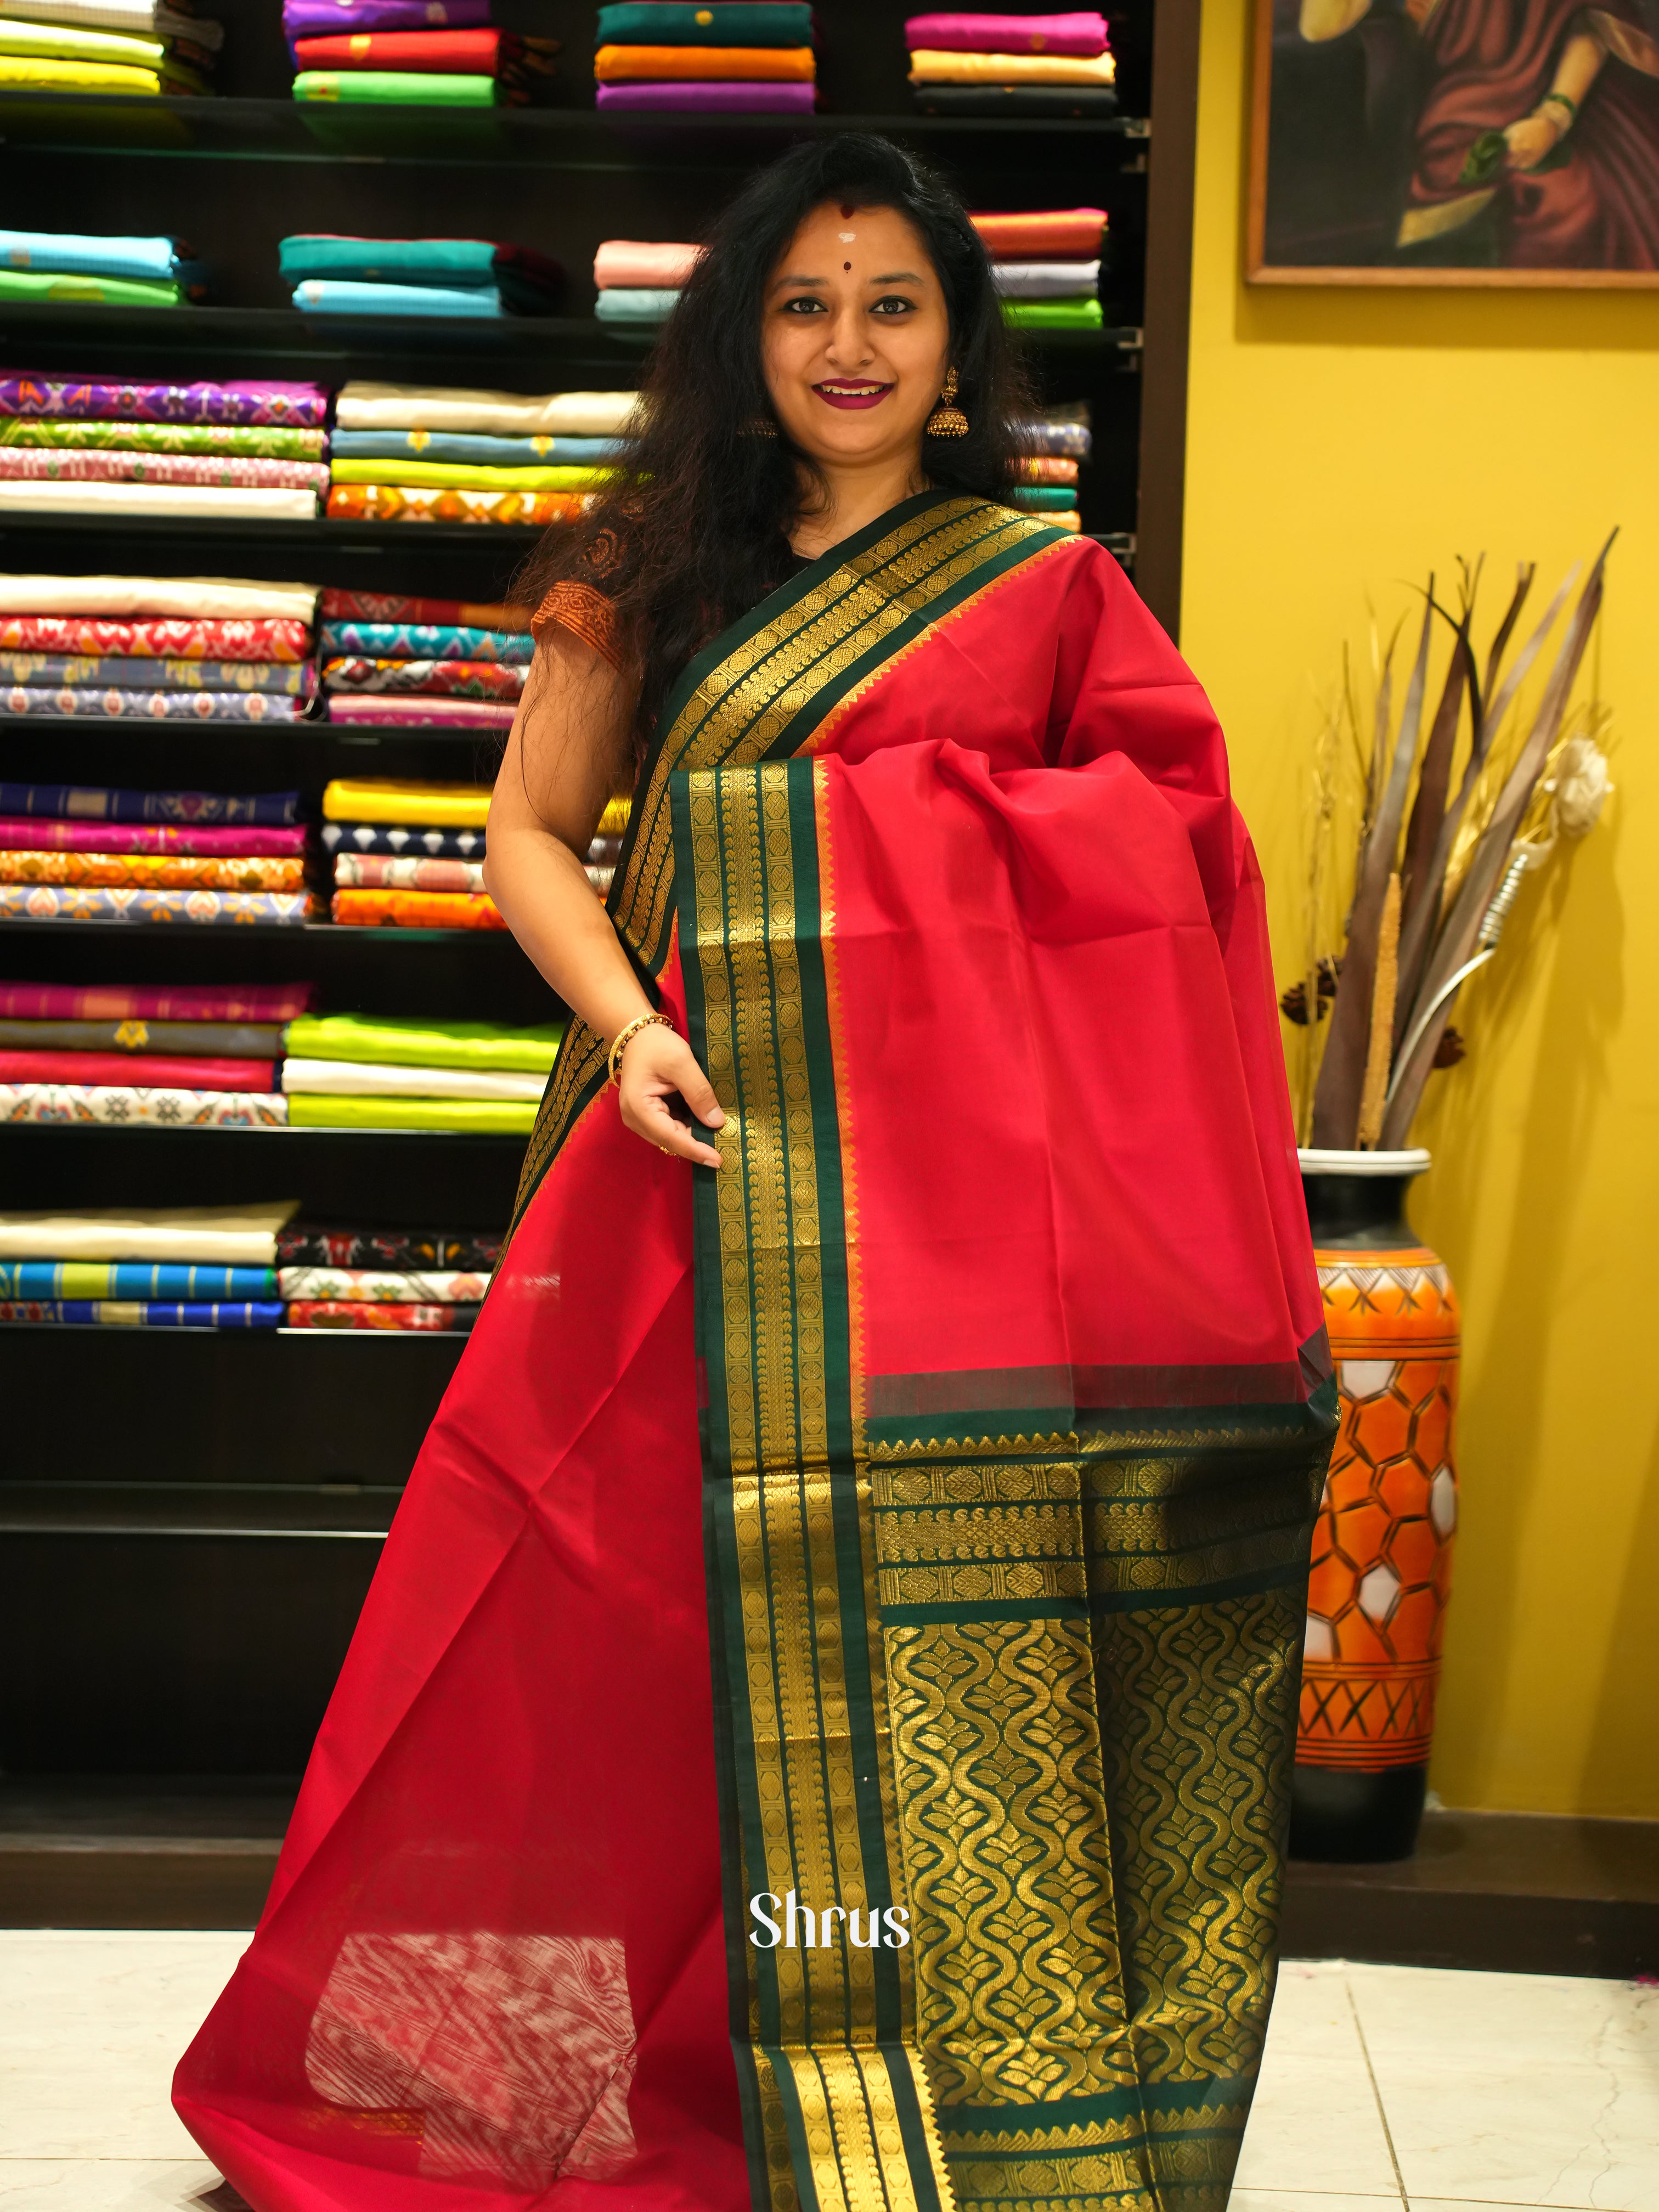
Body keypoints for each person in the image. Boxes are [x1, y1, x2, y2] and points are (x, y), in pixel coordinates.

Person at [175, 133, 1335, 2212]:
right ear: (743, 332)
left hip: (954, 1237)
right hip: (688, 1166)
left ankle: (868, 2086)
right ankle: (485, 2086)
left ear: (963, 339)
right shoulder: (660, 565)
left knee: (898, 1646)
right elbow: (532, 830)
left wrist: (941, 857)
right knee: (587, 1642)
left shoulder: (1056, 590)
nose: (851, 344)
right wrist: (630, 1033)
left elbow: (1175, 858)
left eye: (895, 302)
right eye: (805, 302)